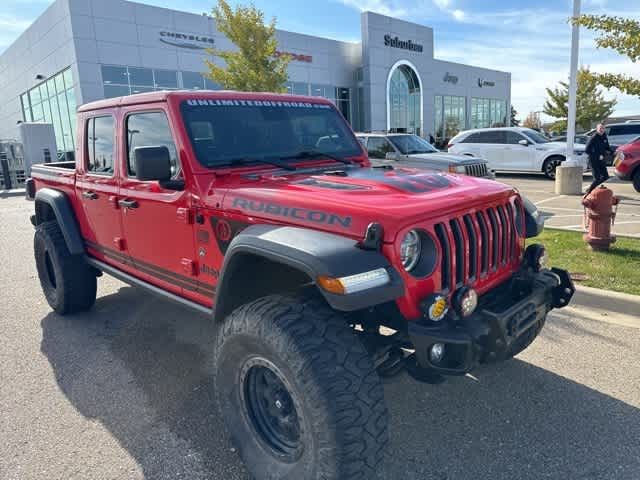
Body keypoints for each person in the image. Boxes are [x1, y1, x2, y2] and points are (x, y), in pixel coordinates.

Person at [584, 123, 613, 195]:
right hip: (593, 160)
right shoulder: (593, 137)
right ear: (597, 129)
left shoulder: (604, 137)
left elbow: (607, 147)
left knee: (605, 176)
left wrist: (614, 152)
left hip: (601, 160)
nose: (601, 129)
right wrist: (597, 155)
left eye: (603, 128)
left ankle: (591, 188)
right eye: (600, 128)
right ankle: (588, 192)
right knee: (597, 178)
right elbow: (587, 150)